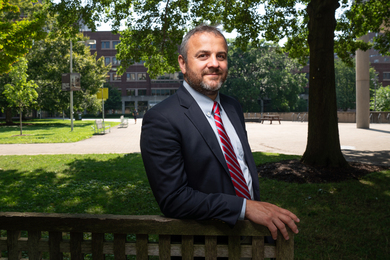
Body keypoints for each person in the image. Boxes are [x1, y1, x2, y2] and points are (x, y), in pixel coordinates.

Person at [140, 24, 299, 241]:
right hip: (206, 245)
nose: (214, 64)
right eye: (203, 55)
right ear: (183, 63)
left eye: (221, 56)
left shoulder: (233, 107)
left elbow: (240, 168)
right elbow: (174, 199)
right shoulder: (161, 119)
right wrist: (245, 208)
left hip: (255, 237)